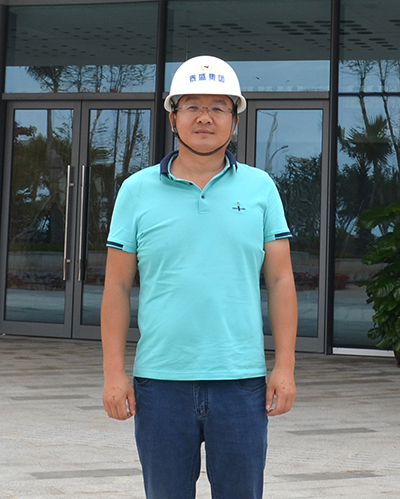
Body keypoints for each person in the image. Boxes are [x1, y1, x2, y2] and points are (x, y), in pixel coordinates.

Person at [101, 55, 297, 499]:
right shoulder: (136, 190)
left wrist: (284, 367)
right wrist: (114, 373)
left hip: (241, 383)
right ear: (173, 117)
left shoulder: (261, 188)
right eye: (192, 106)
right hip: (160, 384)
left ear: (235, 120)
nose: (204, 117)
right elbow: (117, 286)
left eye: (218, 107)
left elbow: (281, 282)